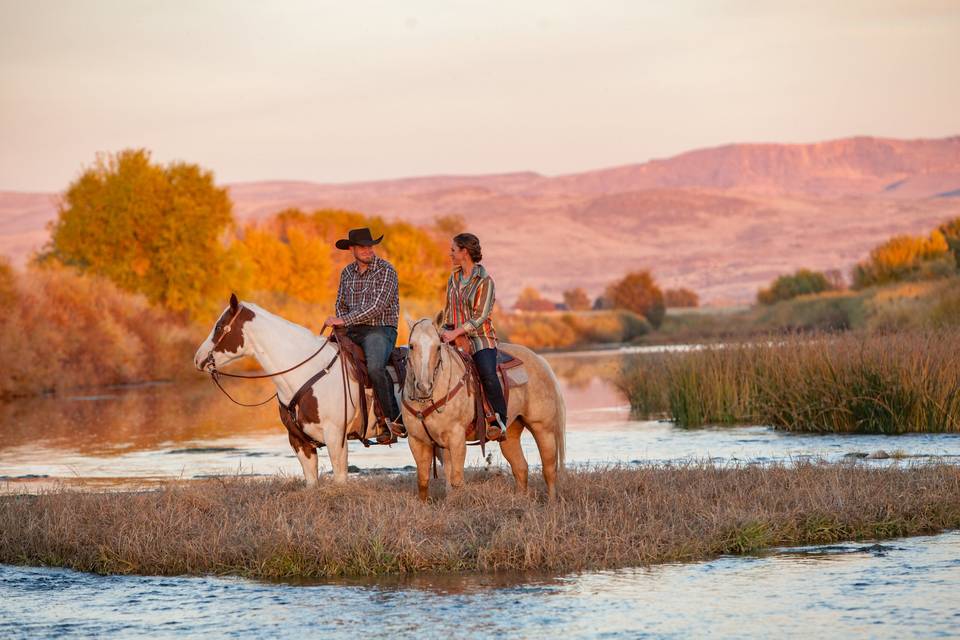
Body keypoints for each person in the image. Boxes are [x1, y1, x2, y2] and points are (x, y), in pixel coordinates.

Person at [323, 227, 404, 444]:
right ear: (352, 249)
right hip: (352, 330)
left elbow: (377, 307)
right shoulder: (347, 273)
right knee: (327, 364)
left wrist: (343, 320)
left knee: (375, 368)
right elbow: (340, 303)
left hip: (380, 329)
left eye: (370, 246)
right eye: (362, 246)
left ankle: (393, 421)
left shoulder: (386, 271)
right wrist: (341, 322)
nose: (368, 250)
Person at [440, 232, 507, 440]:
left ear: (464, 252)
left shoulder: (485, 281)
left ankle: (498, 421)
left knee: (487, 372)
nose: (450, 254)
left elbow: (480, 316)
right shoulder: (453, 278)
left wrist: (456, 332)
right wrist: (443, 330)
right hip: (453, 334)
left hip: (480, 338)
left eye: (453, 250)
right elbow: (449, 309)